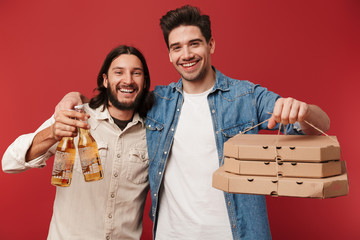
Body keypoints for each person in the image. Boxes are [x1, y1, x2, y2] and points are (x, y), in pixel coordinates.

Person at [54, 5, 330, 240]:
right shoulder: (157, 101)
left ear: (210, 44)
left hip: (236, 233)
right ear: (170, 54)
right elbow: (116, 96)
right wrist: (72, 97)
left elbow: (321, 125)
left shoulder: (246, 96)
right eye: (177, 47)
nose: (186, 54)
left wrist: (303, 111)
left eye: (194, 43)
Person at [2, 45, 154, 239]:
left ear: (145, 82)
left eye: (136, 73)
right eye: (119, 72)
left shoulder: (153, 132)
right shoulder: (74, 116)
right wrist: (52, 133)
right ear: (105, 80)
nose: (128, 80)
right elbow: (9, 163)